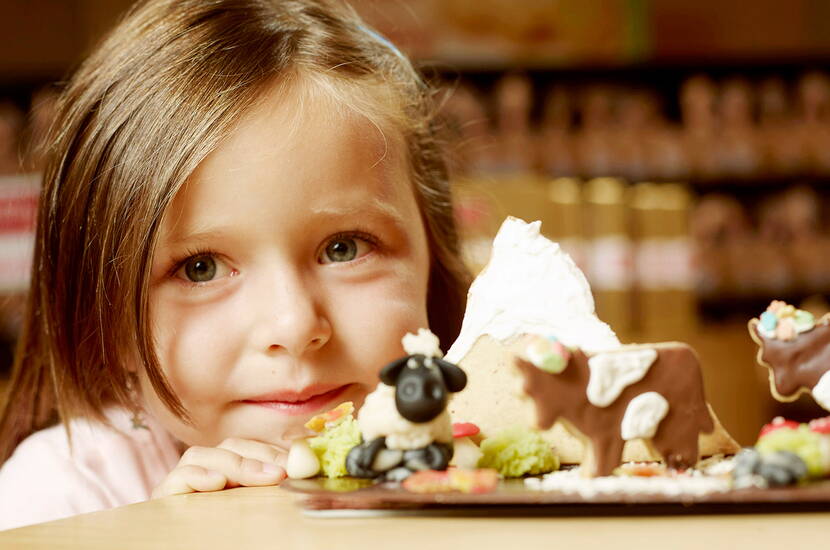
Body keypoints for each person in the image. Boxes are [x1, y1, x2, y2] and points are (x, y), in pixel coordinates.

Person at [0, 0, 470, 530]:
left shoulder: (486, 463)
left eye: (344, 248)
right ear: (106, 325)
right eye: (201, 267)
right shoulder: (57, 498)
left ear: (433, 256)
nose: (293, 327)